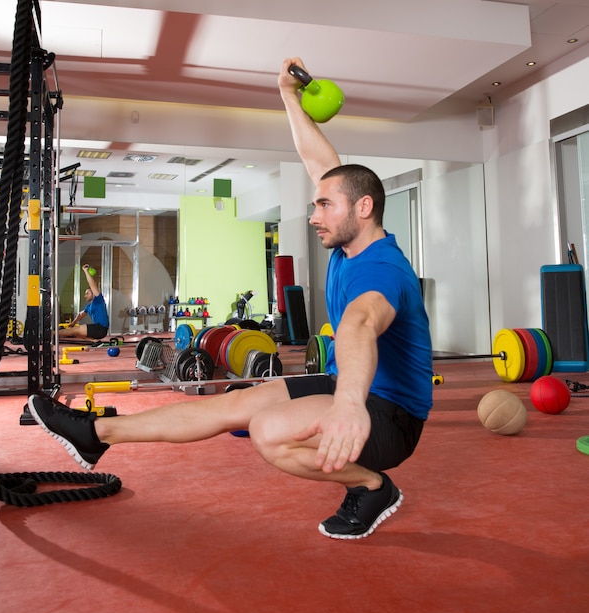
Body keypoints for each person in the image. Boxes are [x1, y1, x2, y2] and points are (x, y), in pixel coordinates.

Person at [28, 58, 433, 540]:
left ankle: (371, 486)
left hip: (389, 415)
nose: (313, 215)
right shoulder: (354, 231)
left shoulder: (382, 268)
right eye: (314, 203)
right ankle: (94, 435)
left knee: (268, 431)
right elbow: (322, 163)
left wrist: (347, 405)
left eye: (324, 205)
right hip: (353, 388)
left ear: (363, 208)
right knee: (227, 406)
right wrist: (288, 96)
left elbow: (360, 324)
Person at [59, 264, 110, 341]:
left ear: (93, 293)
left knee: (76, 330)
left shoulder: (98, 300)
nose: (85, 296)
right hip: (97, 330)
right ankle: (94, 341)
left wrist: (86, 271)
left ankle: (52, 334)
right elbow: (80, 314)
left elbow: (92, 285)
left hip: (101, 329)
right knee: (76, 332)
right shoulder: (89, 307)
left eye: (87, 293)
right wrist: (72, 323)